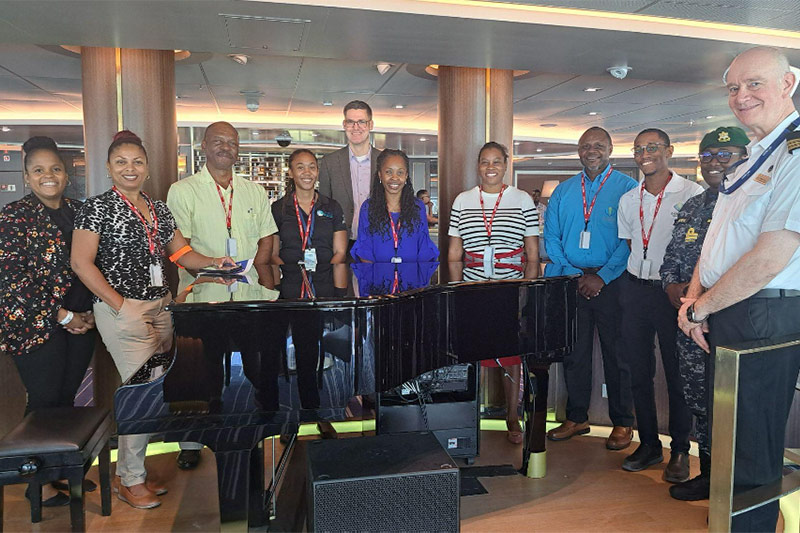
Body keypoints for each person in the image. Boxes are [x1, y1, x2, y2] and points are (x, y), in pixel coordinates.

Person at [71, 130, 234, 510]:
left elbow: (179, 253)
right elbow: (81, 262)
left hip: (162, 307)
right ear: (109, 167)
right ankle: (130, 479)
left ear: (146, 168)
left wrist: (214, 263)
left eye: (137, 162)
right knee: (142, 391)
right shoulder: (96, 208)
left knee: (155, 388)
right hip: (123, 312)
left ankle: (130, 473)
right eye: (121, 162)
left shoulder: (157, 208)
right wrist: (120, 304)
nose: (130, 168)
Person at [679, 47, 800, 531]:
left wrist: (699, 308)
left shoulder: (795, 154)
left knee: (750, 448)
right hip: (729, 310)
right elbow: (717, 242)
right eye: (733, 87)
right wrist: (696, 300)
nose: (741, 96)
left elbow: (771, 257)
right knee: (728, 439)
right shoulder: (756, 153)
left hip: (762, 315)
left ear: (788, 84)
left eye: (754, 84)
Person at [167, 121, 278, 470]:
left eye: (231, 142)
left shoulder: (253, 191)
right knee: (202, 371)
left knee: (260, 366)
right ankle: (194, 440)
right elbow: (178, 248)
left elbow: (266, 238)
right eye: (218, 141)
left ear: (238, 149)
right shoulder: (182, 191)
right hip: (202, 298)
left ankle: (265, 425)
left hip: (249, 298)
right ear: (203, 146)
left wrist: (257, 275)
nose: (225, 147)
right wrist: (211, 267)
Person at [0, 136, 97, 507]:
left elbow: (92, 263)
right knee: (43, 402)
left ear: (66, 174)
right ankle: (35, 483)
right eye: (39, 170)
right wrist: (64, 315)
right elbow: (12, 278)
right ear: (27, 177)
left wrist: (89, 311)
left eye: (55, 168)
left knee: (66, 399)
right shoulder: (14, 216)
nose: (49, 175)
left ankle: (58, 471)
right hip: (35, 325)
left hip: (81, 321)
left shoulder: (79, 211)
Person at [660, 126, 749, 502]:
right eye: (708, 155)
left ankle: (737, 487)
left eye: (725, 155)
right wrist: (673, 288)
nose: (715, 162)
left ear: (745, 158)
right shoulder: (694, 206)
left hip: (731, 321)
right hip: (690, 321)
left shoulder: (750, 202)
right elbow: (671, 258)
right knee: (699, 401)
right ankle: (710, 476)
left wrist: (706, 300)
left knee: (734, 406)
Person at [543, 127, 637, 450]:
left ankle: (623, 422)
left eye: (598, 145)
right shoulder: (564, 191)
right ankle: (576, 417)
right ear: (579, 150)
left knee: (617, 354)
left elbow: (630, 240)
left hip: (613, 282)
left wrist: (603, 276)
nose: (591, 150)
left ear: (610, 149)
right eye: (586, 146)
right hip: (570, 282)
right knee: (575, 353)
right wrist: (572, 273)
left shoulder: (628, 189)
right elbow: (551, 238)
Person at [617, 128, 703, 482]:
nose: (645, 154)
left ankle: (680, 449)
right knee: (638, 372)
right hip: (634, 290)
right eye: (638, 149)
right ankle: (649, 444)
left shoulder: (692, 194)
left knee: (677, 374)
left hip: (672, 294)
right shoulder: (628, 199)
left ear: (669, 150)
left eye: (652, 147)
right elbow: (630, 244)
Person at [447, 141, 540, 443]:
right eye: (485, 162)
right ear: (478, 166)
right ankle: (466, 417)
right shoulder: (463, 200)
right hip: (472, 287)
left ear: (505, 165)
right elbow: (454, 252)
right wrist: (456, 290)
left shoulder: (522, 199)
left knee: (510, 355)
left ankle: (512, 415)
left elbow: (532, 253)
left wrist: (526, 292)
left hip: (509, 288)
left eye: (496, 161)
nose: (490, 168)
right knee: (471, 353)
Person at [350, 149, 438, 263]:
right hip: (377, 273)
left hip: (411, 273)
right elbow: (364, 249)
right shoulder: (368, 208)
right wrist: (376, 273)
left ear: (406, 176)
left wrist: (416, 272)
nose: (394, 178)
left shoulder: (417, 207)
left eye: (400, 172)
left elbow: (424, 247)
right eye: (388, 172)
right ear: (380, 175)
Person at [318, 100, 382, 244]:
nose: (355, 127)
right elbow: (324, 206)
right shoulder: (330, 162)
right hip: (341, 242)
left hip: (378, 242)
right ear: (344, 124)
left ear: (370, 125)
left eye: (361, 122)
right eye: (350, 122)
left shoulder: (384, 161)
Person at [271, 148, 348, 266]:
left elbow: (340, 252)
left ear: (317, 171)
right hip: (290, 275)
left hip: (325, 274)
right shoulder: (278, 208)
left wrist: (325, 272)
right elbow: (273, 254)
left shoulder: (332, 207)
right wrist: (288, 273)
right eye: (300, 167)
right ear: (290, 173)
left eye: (312, 167)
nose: (307, 172)